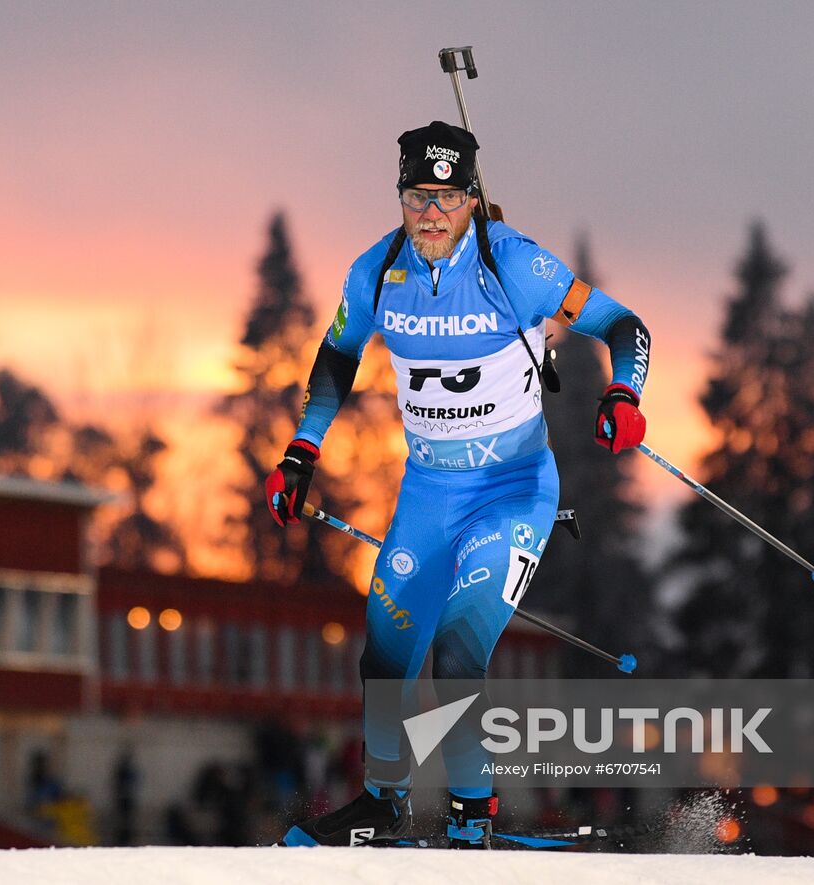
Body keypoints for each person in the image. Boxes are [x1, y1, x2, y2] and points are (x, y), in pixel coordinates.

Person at [268, 121, 650, 848]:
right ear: (401, 196)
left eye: (447, 196)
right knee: (382, 652)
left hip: (512, 491)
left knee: (456, 652)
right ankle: (382, 804)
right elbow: (336, 357)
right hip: (429, 495)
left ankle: (474, 816)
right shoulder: (377, 272)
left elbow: (626, 326)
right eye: (418, 195)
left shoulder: (517, 266)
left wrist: (623, 396)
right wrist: (300, 453)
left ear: (472, 198)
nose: (431, 213)